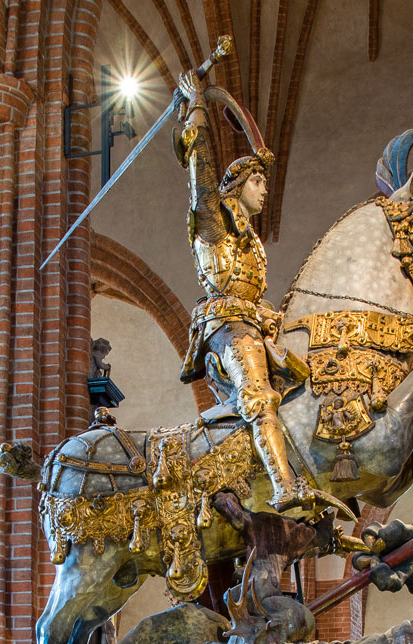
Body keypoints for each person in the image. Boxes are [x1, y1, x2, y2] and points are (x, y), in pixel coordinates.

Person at [174, 71, 315, 511]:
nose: (265, 190)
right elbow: (201, 178)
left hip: (256, 324)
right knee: (259, 396)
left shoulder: (251, 240)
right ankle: (284, 486)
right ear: (237, 186)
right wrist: (198, 109)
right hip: (227, 327)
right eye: (257, 181)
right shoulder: (214, 225)